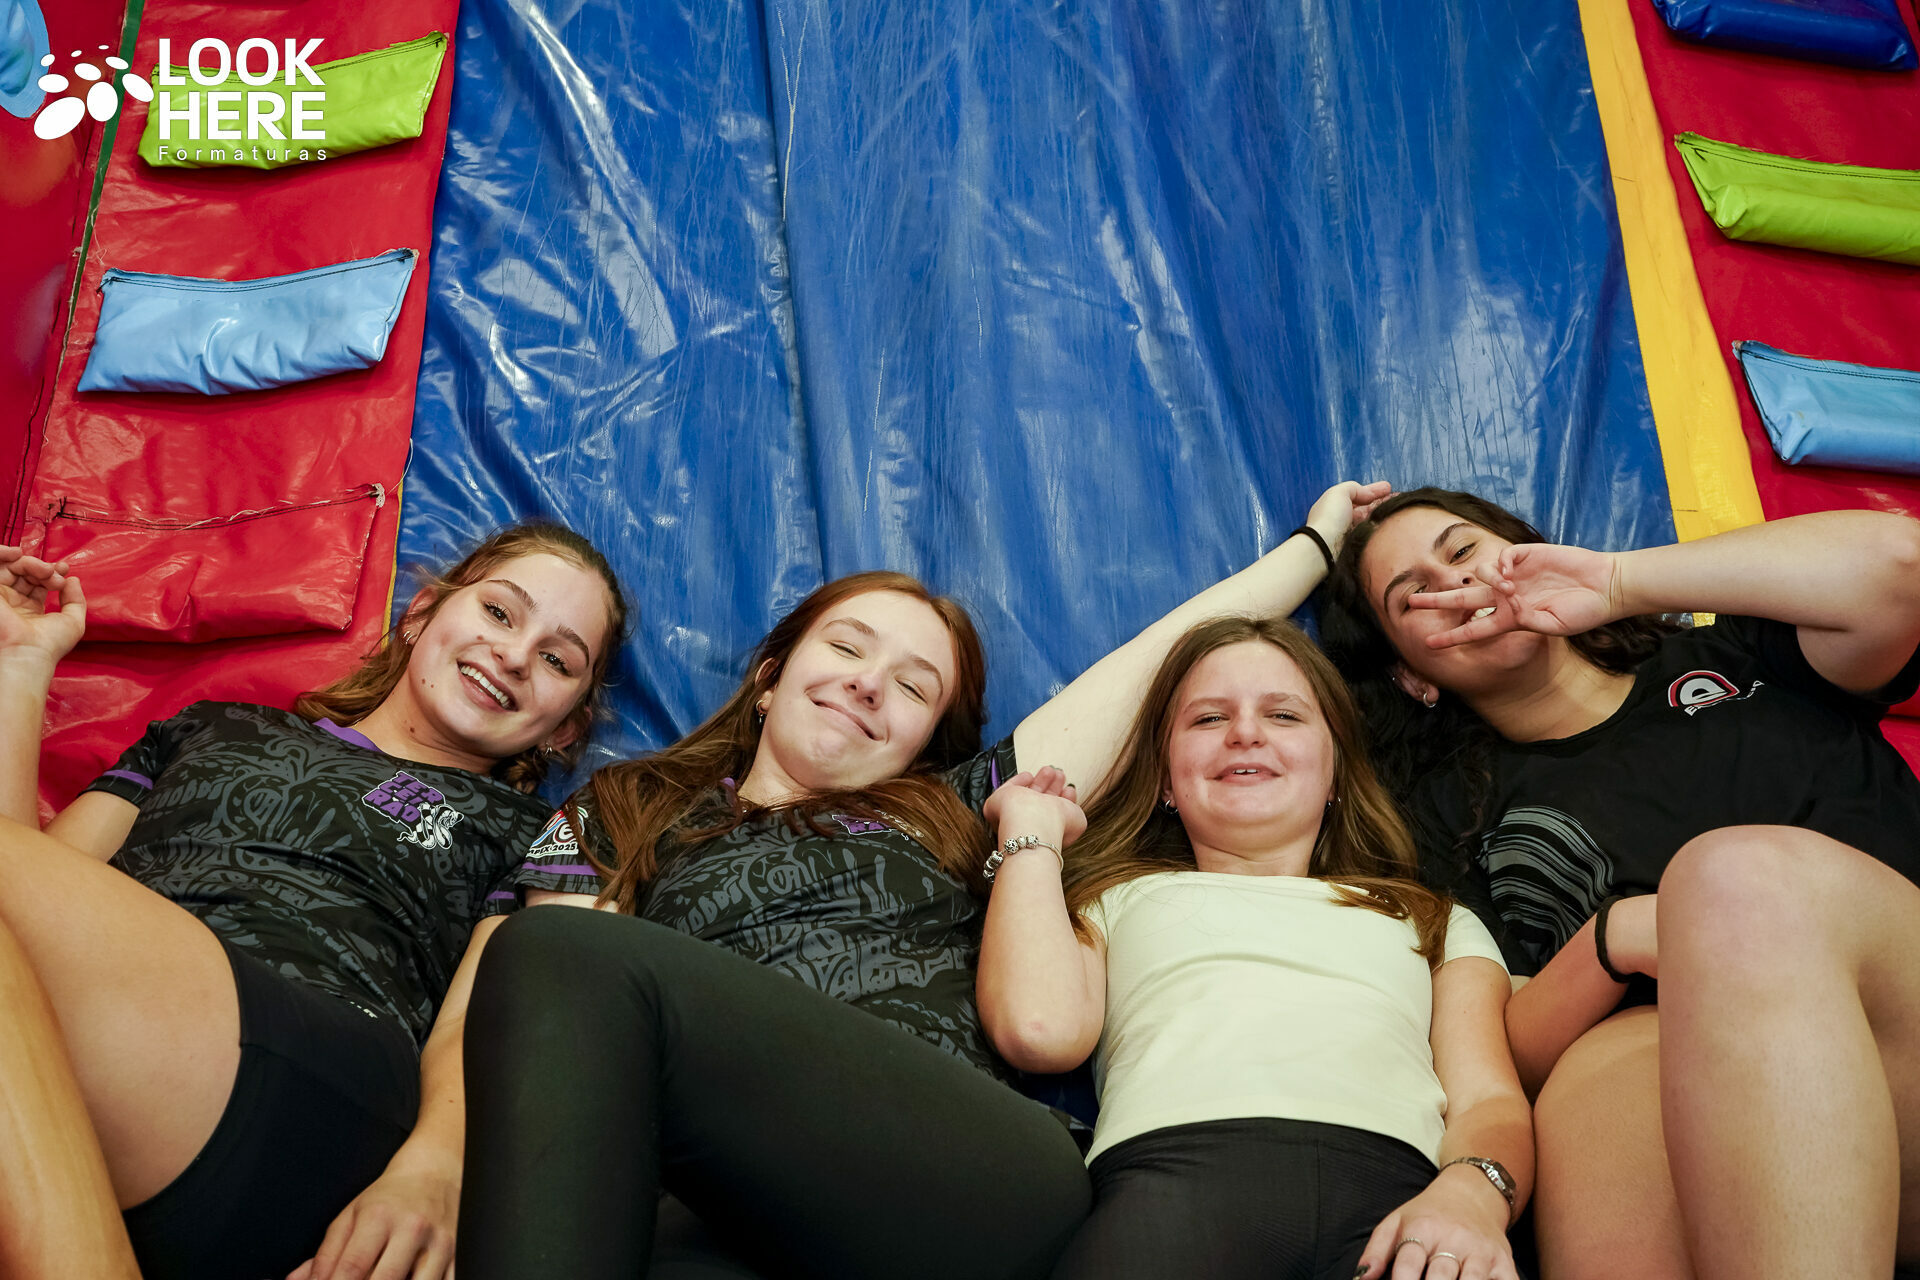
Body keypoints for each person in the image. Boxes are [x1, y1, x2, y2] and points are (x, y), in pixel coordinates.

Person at [454, 481, 1391, 1280]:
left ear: (923, 743)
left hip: (958, 1178)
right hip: (726, 1190)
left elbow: (1160, 663)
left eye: (913, 688)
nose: (870, 685)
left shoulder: (952, 808)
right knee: (557, 972)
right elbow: (555, 1057)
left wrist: (1315, 547)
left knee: (563, 951)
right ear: (770, 677)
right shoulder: (630, 805)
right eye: (847, 649)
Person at [1319, 487, 1920, 1280]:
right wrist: (1613, 938)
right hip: (1698, 1108)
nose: (1456, 583)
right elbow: (1497, 1056)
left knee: (1734, 883)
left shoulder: (1736, 654)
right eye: (1416, 596)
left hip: (1898, 1024)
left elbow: (1901, 567)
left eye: (1464, 552)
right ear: (1411, 676)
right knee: (1600, 1072)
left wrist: (1616, 582)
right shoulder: (1446, 817)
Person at [0, 524, 628, 1280]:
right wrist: (22, 662)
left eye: (558, 660)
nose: (516, 655)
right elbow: (35, 892)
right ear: (422, 613)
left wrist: (437, 1167)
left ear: (568, 726)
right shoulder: (213, 726)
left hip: (315, 1073)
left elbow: (514, 1019)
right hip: (103, 1052)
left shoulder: (543, 831)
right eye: (500, 612)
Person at [976, 616, 1531, 1280]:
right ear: (1165, 780)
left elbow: (1487, 1100)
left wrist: (1473, 1195)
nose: (1245, 732)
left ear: (1335, 773)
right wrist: (1033, 834)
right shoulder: (1115, 900)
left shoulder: (1432, 919)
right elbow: (1038, 1029)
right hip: (1176, 1192)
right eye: (1209, 718)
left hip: (1407, 1213)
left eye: (1284, 715)